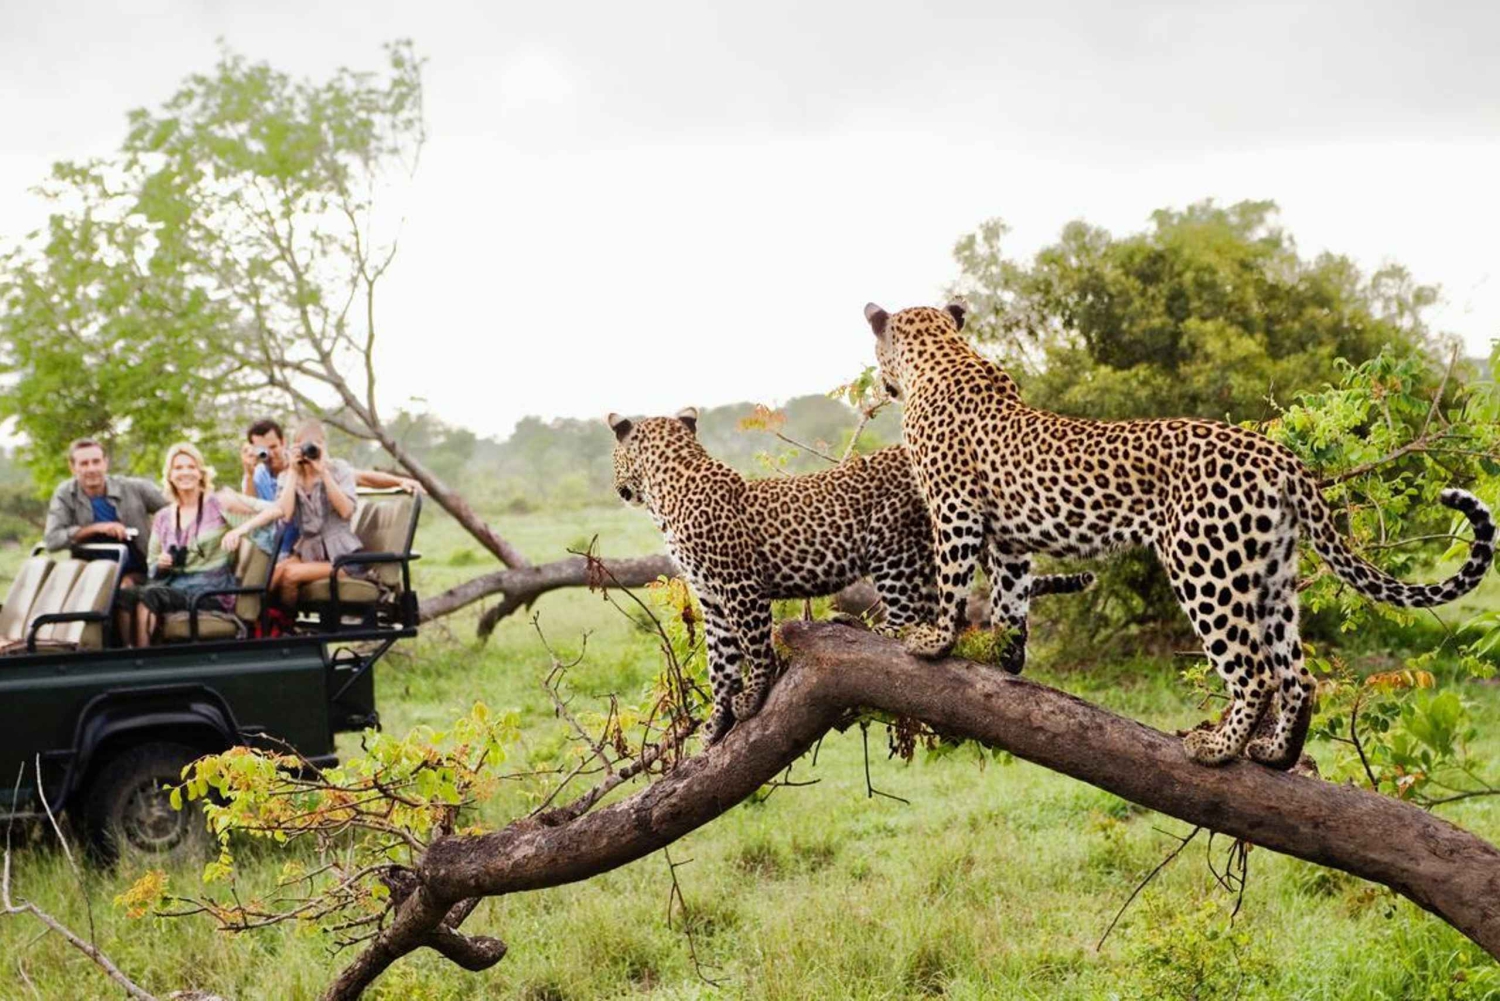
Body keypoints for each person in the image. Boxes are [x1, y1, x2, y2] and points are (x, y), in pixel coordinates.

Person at [117, 443, 264, 647]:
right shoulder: (163, 517)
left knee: (150, 596)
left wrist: (238, 530)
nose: (185, 472)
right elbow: (152, 567)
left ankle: (144, 662)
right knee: (125, 596)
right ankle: (128, 653)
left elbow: (272, 511)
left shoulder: (217, 504)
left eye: (191, 467)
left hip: (209, 591)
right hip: (175, 586)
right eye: (178, 468)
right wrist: (161, 564)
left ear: (200, 472)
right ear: (170, 475)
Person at [224, 420, 365, 612]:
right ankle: (250, 621)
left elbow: (346, 511)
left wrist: (323, 473)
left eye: (314, 445)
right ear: (294, 446)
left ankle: (286, 627)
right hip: (309, 553)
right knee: (275, 573)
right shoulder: (289, 476)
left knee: (290, 574)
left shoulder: (339, 469)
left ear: (324, 444)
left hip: (343, 558)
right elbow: (285, 514)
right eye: (304, 446)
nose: (310, 451)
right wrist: (292, 471)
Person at [43, 438, 167, 578]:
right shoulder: (65, 493)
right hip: (89, 574)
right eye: (84, 464)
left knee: (123, 589)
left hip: (137, 570)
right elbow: (52, 540)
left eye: (96, 462)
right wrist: (97, 528)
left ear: (105, 463)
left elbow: (177, 508)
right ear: (72, 467)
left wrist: (163, 540)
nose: (91, 469)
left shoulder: (134, 488)